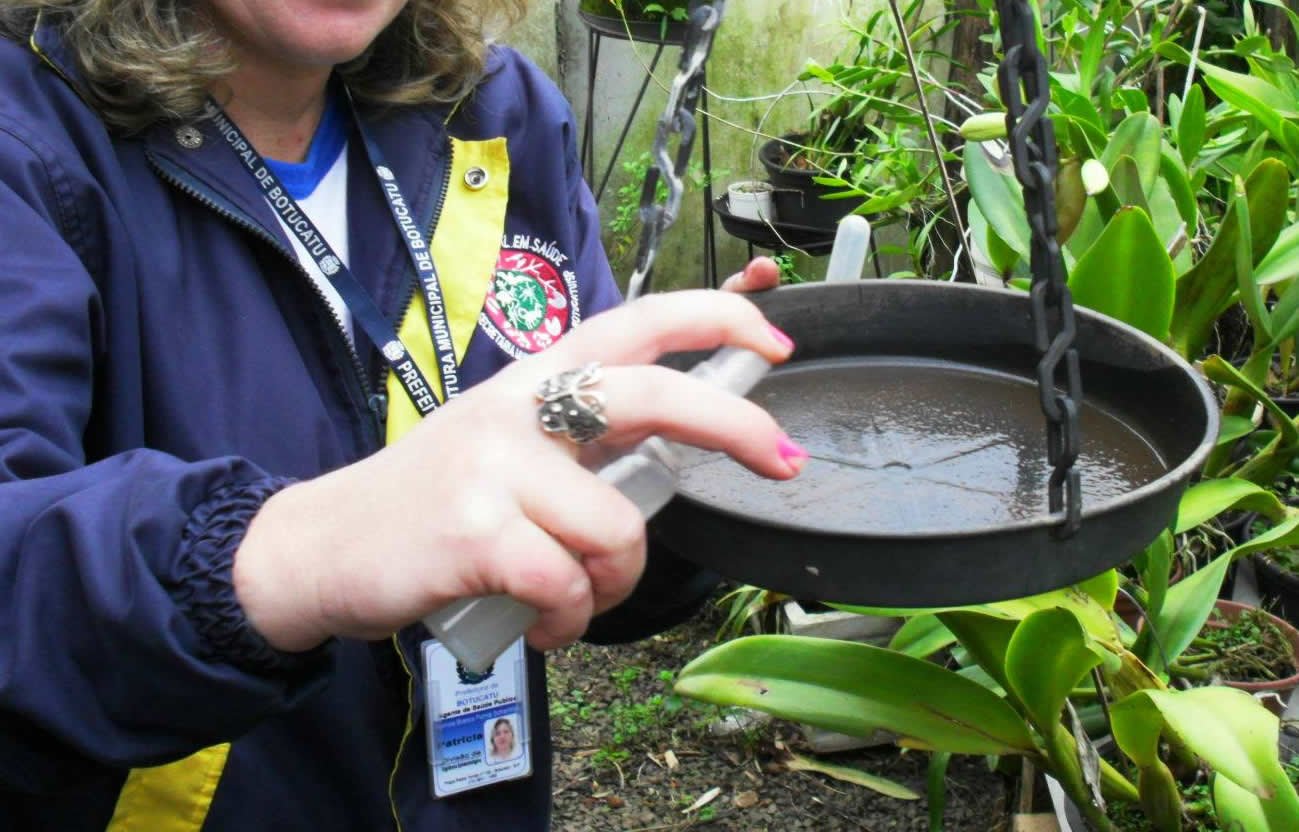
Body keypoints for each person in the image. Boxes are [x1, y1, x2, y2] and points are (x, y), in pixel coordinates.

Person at [0, 1, 807, 830]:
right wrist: (289, 557)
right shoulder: (27, 145)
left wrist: (664, 464)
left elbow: (581, 498)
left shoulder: (491, 113)